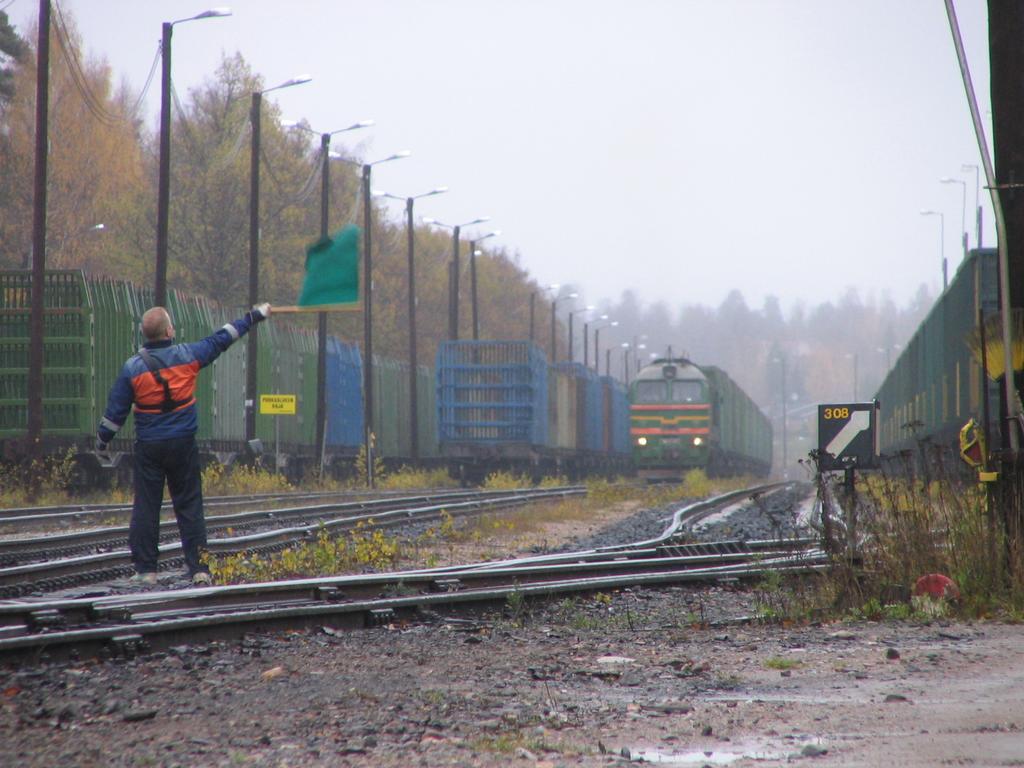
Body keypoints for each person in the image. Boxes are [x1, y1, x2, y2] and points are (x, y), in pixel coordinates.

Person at [95, 303, 272, 586]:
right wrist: (253, 317)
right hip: (182, 445)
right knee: (189, 506)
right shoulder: (188, 356)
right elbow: (222, 339)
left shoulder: (132, 368)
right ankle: (199, 568)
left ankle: (146, 571)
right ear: (168, 331)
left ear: (145, 334)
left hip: (149, 447)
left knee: (146, 507)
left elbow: (115, 414)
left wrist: (103, 441)